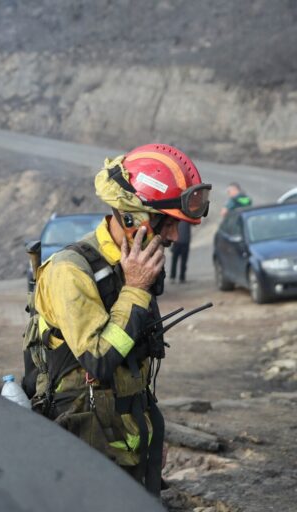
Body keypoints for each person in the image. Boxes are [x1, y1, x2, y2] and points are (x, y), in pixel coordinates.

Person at [22, 144, 211, 495]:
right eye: (167, 224)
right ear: (130, 218)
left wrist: (147, 437)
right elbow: (101, 359)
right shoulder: (70, 272)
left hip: (127, 438)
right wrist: (136, 289)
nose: (173, 236)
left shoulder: (131, 263)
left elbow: (134, 366)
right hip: (85, 452)